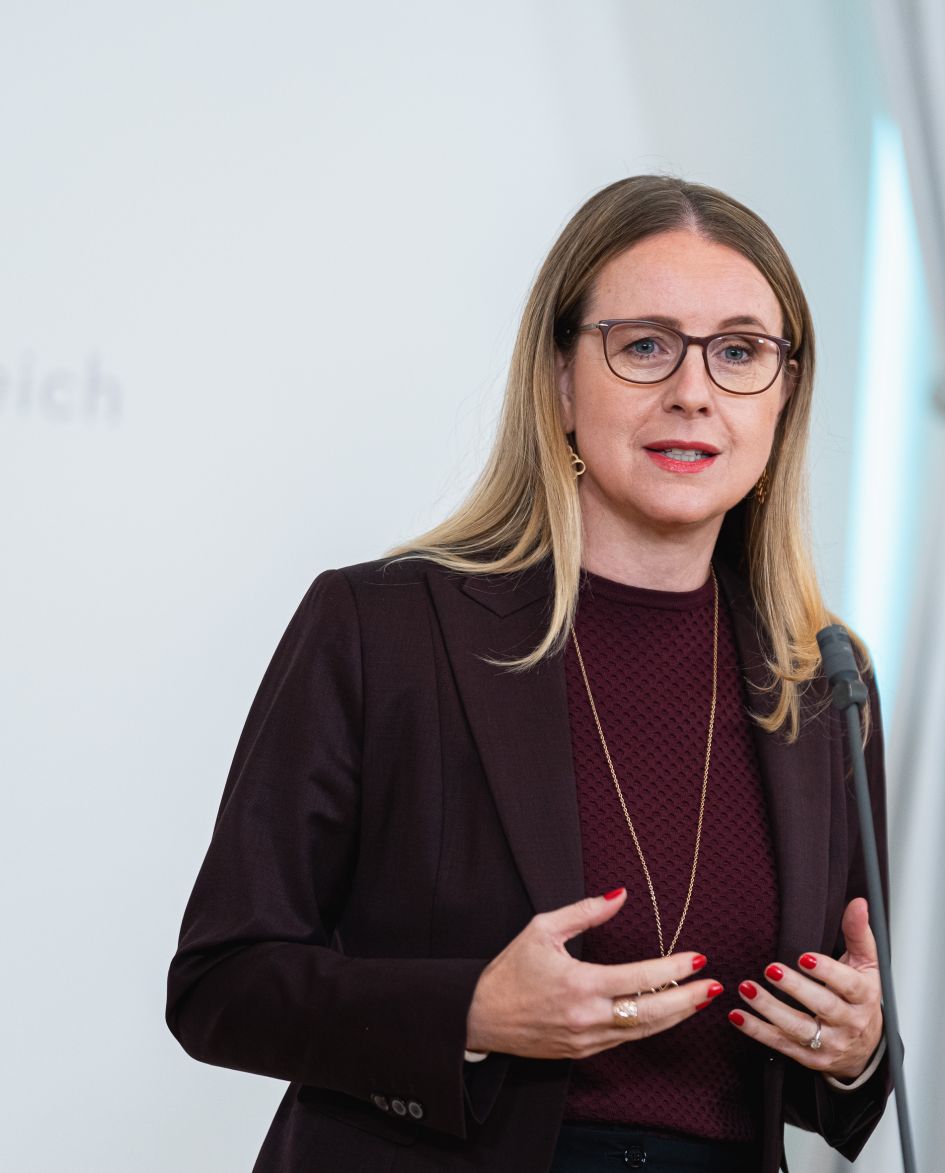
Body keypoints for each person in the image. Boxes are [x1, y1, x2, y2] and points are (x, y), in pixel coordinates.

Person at [166, 175, 895, 1173]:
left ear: (781, 401)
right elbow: (221, 984)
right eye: (644, 346)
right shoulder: (383, 628)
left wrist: (853, 1053)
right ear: (558, 384)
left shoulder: (825, 681)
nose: (692, 390)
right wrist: (471, 1013)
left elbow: (835, 1067)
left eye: (737, 353)